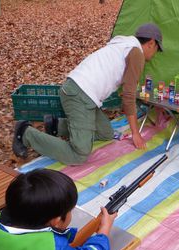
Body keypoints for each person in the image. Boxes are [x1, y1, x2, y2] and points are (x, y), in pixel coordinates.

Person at [13, 23, 163, 164]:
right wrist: (135, 133)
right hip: (79, 95)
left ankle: (55, 126)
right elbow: (129, 97)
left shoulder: (124, 43)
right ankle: (26, 133)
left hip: (81, 91)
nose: (155, 53)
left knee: (106, 133)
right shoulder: (137, 53)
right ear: (151, 43)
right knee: (80, 154)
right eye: (157, 48)